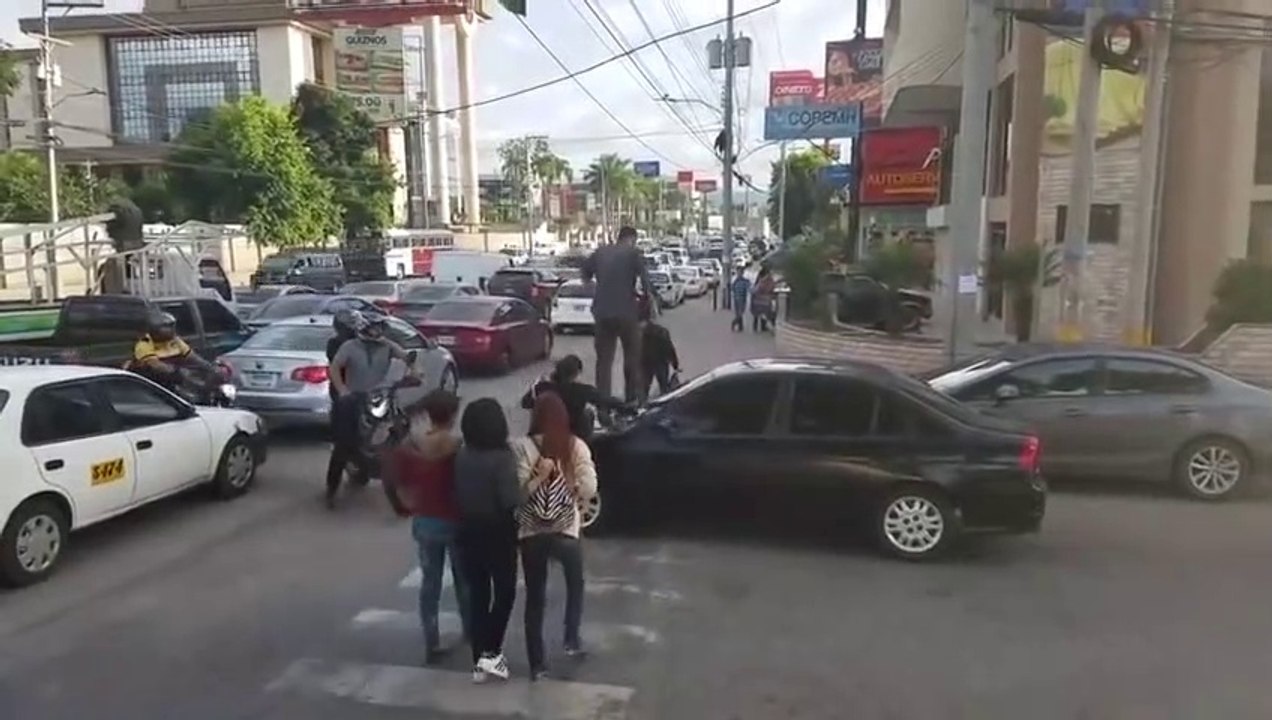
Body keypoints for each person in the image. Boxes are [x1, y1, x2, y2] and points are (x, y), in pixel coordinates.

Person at [513, 392, 598, 681]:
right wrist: (572, 492)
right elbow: (588, 487)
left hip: (532, 533)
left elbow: (518, 493)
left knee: (535, 598)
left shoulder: (523, 447)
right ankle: (571, 640)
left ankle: (537, 664)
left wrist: (539, 475)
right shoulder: (575, 446)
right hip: (565, 531)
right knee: (576, 586)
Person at [387, 389, 472, 664]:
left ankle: (431, 641)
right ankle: (470, 629)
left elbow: (396, 481)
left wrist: (404, 507)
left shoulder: (414, 447)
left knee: (430, 583)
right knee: (464, 580)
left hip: (425, 522)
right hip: (456, 521)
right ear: (453, 415)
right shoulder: (458, 447)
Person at [453, 398, 521, 683]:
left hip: (468, 529)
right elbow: (509, 501)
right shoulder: (502, 458)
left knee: (478, 594)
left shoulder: (463, 455)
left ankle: (479, 652)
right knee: (505, 592)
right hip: (499, 531)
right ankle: (491, 650)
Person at [326, 312, 415, 512]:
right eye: (375, 328)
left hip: (379, 398)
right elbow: (334, 368)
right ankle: (331, 490)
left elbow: (406, 358)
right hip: (354, 400)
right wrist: (342, 391)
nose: (378, 332)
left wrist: (414, 372)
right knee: (343, 445)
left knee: (400, 428)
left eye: (381, 328)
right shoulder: (349, 347)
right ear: (364, 328)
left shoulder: (386, 346)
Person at [581, 225, 656, 402]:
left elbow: (585, 272)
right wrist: (649, 303)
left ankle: (603, 403)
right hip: (626, 313)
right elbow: (646, 283)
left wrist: (594, 288)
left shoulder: (600, 252)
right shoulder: (633, 253)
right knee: (632, 358)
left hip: (602, 312)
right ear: (632, 238)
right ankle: (631, 399)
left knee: (604, 362)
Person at [520, 355, 624, 442]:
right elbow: (604, 400)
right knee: (588, 413)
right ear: (576, 373)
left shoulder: (542, 387)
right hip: (572, 434)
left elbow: (525, 403)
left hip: (543, 433)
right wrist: (624, 405)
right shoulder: (581, 390)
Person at [130, 311, 220, 395]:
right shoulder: (145, 344)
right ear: (156, 329)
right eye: (167, 327)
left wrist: (208, 366)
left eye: (172, 327)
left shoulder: (175, 341)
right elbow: (156, 365)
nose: (172, 330)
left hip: (174, 378)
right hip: (154, 383)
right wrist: (177, 371)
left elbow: (191, 356)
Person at [640, 302, 680, 400]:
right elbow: (670, 349)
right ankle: (665, 401)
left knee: (644, 387)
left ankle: (643, 403)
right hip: (660, 363)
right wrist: (675, 364)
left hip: (647, 364)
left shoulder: (641, 335)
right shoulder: (662, 332)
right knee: (663, 386)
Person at [751, 267, 776, 333]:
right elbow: (771, 287)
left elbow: (755, 289)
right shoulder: (768, 280)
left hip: (758, 299)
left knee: (757, 314)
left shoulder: (759, 279)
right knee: (765, 313)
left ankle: (756, 327)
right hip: (766, 299)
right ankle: (763, 327)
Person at [729, 267, 751, 332]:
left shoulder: (745, 281)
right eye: (738, 272)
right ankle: (739, 326)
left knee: (740, 313)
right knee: (738, 313)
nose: (739, 273)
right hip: (736, 298)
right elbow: (732, 288)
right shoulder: (735, 281)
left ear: (742, 273)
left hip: (742, 299)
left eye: (740, 272)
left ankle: (735, 323)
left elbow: (749, 288)